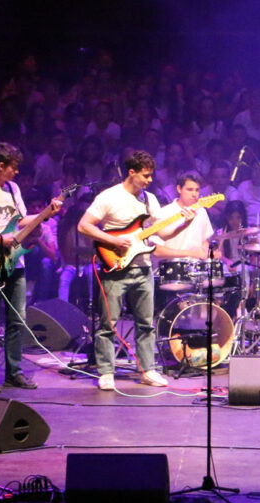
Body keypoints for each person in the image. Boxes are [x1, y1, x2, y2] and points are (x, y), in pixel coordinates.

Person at [0, 142, 62, 392]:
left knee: (18, 318)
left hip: (16, 261)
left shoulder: (13, 189)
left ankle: (14, 372)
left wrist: (47, 212)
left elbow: (21, 219)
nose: (17, 173)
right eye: (13, 168)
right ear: (1, 165)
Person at [77, 150, 168, 391]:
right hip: (115, 267)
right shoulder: (109, 197)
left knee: (146, 323)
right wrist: (113, 241)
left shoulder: (150, 200)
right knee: (108, 324)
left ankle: (148, 369)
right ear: (131, 172)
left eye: (151, 176)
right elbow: (84, 225)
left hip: (143, 268)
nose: (150, 180)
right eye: (146, 175)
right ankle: (106, 371)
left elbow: (162, 232)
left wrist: (186, 220)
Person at [151, 172, 213, 262]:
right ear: (179, 189)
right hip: (172, 268)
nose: (194, 194)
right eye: (190, 189)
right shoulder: (165, 212)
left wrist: (209, 253)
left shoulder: (201, 211)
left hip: (197, 269)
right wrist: (191, 253)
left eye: (197, 190)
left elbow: (204, 241)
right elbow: (156, 251)